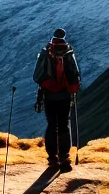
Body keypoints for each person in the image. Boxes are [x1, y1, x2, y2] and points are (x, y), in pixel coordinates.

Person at [32, 28, 81, 171]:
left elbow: (36, 76)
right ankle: (64, 157)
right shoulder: (68, 52)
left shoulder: (45, 52)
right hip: (65, 96)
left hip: (48, 96)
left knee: (52, 125)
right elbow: (76, 73)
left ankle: (52, 159)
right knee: (64, 125)